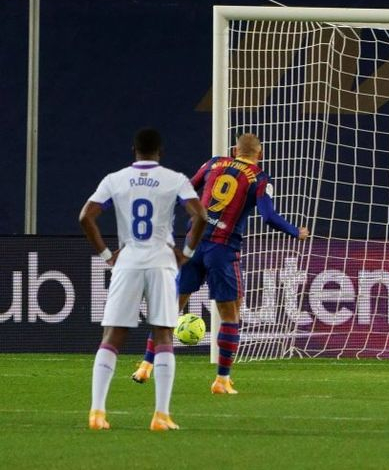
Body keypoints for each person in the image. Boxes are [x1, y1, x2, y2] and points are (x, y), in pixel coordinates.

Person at [131, 133, 310, 394]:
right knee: (230, 314)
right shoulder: (259, 178)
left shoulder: (214, 163)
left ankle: (145, 365)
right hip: (222, 249)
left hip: (194, 243)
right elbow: (268, 217)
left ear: (235, 150)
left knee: (172, 308)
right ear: (259, 154)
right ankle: (222, 380)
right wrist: (296, 232)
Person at [79, 128, 206, 431]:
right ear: (160, 152)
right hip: (162, 261)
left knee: (112, 336)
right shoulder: (174, 179)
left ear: (133, 150)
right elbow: (200, 215)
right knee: (163, 335)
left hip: (129, 261)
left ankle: (97, 412)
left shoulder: (115, 179)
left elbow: (86, 216)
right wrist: (186, 252)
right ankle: (161, 415)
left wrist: (108, 255)